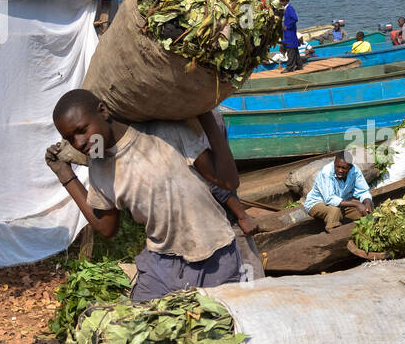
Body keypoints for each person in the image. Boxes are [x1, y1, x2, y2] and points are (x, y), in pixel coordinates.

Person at [45, 90, 258, 302]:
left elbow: (227, 182)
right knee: (136, 327)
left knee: (214, 326)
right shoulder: (100, 166)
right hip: (161, 264)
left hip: (214, 255)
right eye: (70, 138)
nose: (79, 142)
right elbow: (106, 228)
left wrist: (206, 116)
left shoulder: (164, 133)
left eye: (82, 130)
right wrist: (65, 175)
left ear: (103, 111)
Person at [303, 151, 372, 232]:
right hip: (317, 203)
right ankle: (334, 234)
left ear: (350, 167)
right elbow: (329, 199)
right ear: (334, 164)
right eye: (337, 167)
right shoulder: (326, 172)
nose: (340, 170)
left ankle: (365, 230)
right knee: (335, 210)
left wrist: (367, 203)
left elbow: (363, 191)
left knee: (366, 210)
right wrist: (356, 204)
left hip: (341, 202)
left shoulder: (355, 171)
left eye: (344, 168)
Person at [282, 0, 302, 72]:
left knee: (290, 49)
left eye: (282, 1)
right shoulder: (285, 9)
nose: (281, 3)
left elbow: (295, 18)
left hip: (290, 32)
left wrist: (288, 26)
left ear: (286, 1)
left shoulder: (289, 8)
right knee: (294, 49)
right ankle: (299, 65)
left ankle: (289, 67)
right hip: (288, 32)